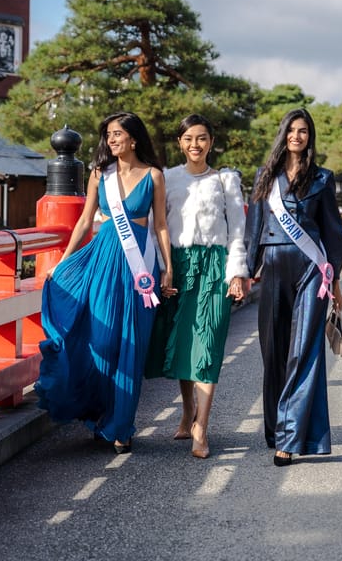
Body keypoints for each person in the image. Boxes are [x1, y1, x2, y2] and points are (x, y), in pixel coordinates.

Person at [35, 111, 173, 454]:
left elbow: (160, 226)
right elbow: (84, 222)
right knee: (103, 338)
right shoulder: (101, 175)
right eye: (108, 135)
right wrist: (64, 261)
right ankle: (99, 415)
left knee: (131, 346)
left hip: (140, 265)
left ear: (134, 138)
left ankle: (121, 427)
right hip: (103, 260)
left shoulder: (154, 175)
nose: (111, 140)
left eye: (117, 134)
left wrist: (168, 269)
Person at [243, 108, 342, 467]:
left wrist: (333, 282)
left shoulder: (322, 179)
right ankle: (276, 426)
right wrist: (244, 272)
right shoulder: (265, 177)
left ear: (310, 137)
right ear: (283, 134)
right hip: (272, 267)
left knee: (302, 352)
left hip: (310, 273)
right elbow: (252, 230)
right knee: (273, 352)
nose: (297, 136)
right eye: (292, 129)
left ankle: (288, 438)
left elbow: (334, 233)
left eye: (304, 131)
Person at [145, 115, 249, 459]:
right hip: (179, 267)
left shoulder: (225, 181)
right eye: (188, 138)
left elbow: (237, 230)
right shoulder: (167, 178)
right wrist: (163, 270)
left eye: (202, 138)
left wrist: (237, 273)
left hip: (215, 267)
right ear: (180, 142)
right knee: (184, 343)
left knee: (208, 343)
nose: (195, 145)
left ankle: (201, 426)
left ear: (211, 141)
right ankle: (187, 409)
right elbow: (156, 227)